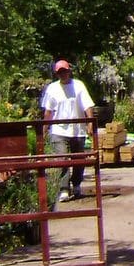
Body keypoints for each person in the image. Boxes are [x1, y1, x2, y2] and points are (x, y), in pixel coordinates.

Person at [41, 59, 95, 202]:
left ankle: (76, 184)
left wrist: (89, 123)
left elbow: (88, 105)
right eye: (60, 72)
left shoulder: (78, 86)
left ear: (69, 71)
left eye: (65, 71)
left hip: (77, 130)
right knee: (62, 159)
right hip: (59, 130)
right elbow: (48, 110)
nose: (63, 74)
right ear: (56, 74)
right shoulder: (52, 89)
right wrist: (44, 128)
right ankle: (64, 188)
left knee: (79, 160)